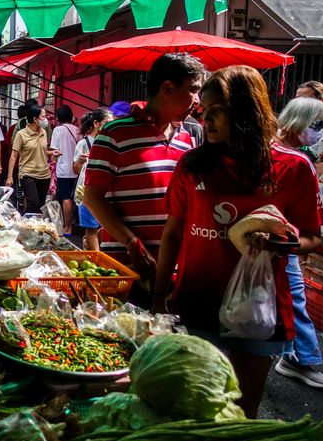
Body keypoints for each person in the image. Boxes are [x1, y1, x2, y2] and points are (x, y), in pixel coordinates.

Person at [153, 66, 323, 418]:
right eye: (204, 111)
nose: (206, 120)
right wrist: (159, 296)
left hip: (258, 308)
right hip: (197, 301)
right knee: (191, 408)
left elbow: (311, 236)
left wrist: (282, 241)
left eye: (216, 111)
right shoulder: (192, 165)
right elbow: (172, 233)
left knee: (241, 413)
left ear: (246, 111)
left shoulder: (294, 167)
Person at [84, 53, 206, 291]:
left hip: (173, 269)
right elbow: (92, 197)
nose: (197, 100)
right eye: (193, 90)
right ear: (167, 88)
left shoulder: (186, 138)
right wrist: (132, 243)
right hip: (126, 268)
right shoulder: (114, 133)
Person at [274, 97, 323, 389]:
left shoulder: (285, 155)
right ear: (298, 121)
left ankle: (297, 357)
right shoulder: (295, 161)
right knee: (293, 299)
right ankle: (298, 358)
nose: (320, 132)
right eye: (317, 124)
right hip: (278, 245)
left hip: (278, 243)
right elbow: (313, 232)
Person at [6, 105, 60, 213]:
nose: (46, 120)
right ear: (35, 119)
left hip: (44, 174)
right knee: (33, 203)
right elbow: (13, 156)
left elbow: (41, 150)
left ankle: (37, 223)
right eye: (43, 117)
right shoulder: (21, 134)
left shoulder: (44, 132)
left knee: (41, 205)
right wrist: (10, 176)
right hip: (28, 174)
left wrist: (51, 153)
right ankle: (29, 222)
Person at [73, 107, 113, 250]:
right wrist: (80, 162)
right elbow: (76, 170)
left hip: (106, 190)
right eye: (107, 122)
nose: (110, 126)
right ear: (96, 123)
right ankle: (95, 256)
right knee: (91, 227)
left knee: (104, 226)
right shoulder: (83, 144)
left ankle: (88, 245)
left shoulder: (110, 142)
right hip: (86, 190)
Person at [296, 81, 323, 202]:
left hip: (313, 192)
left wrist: (296, 167)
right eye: (297, 99)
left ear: (321, 101)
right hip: (284, 188)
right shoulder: (286, 126)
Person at [50, 105, 80, 236]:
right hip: (77, 169)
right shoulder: (78, 130)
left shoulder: (58, 130)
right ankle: (75, 224)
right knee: (75, 198)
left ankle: (67, 228)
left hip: (63, 170)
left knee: (66, 199)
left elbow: (54, 153)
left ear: (58, 117)